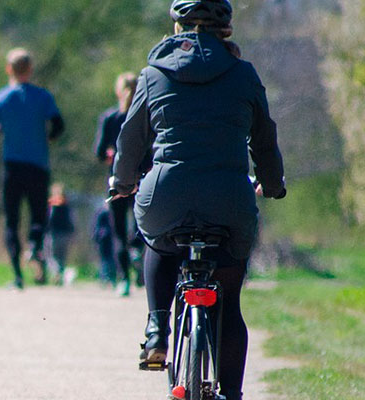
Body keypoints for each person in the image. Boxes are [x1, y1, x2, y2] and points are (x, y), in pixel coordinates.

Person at [109, 1, 286, 399]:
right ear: (226, 30)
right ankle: (232, 394)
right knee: (230, 302)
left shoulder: (153, 74)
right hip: (229, 199)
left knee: (158, 241)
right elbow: (264, 139)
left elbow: (130, 138)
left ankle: (157, 329)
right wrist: (272, 183)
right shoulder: (243, 74)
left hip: (166, 194)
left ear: (177, 27)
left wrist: (122, 181)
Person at [0, 47, 65, 289]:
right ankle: (34, 244)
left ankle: (18, 276)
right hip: (38, 166)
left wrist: (1, 129)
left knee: (12, 220)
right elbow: (58, 125)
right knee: (39, 215)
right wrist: (49, 137)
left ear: (8, 69)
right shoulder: (43, 97)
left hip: (12, 167)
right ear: (30, 69)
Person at [94, 72, 145, 297]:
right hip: (142, 179)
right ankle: (137, 250)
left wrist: (110, 154)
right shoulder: (145, 116)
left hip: (116, 180)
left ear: (118, 91)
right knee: (142, 223)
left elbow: (99, 152)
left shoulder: (110, 118)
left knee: (118, 232)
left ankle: (124, 279)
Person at [45, 183, 75, 285]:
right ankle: (60, 276)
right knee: (62, 257)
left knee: (51, 256)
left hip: (53, 234)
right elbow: (71, 220)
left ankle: (57, 272)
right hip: (65, 234)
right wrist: (71, 232)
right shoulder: (66, 204)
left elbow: (48, 219)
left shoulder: (51, 204)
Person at [91, 203, 118, 285]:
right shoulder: (103, 213)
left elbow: (95, 228)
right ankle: (106, 277)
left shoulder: (103, 213)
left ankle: (107, 277)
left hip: (107, 240)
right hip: (105, 240)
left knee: (107, 259)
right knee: (106, 259)